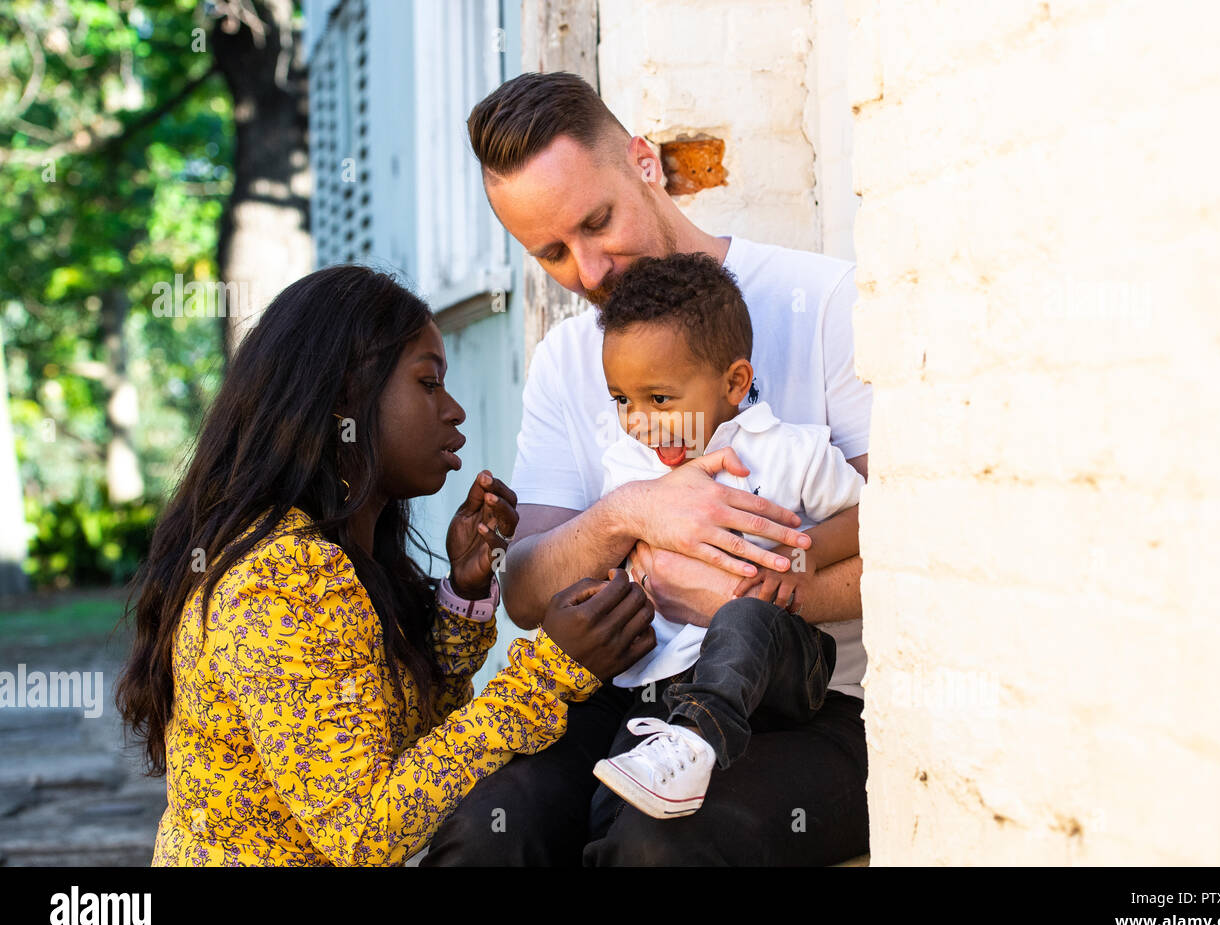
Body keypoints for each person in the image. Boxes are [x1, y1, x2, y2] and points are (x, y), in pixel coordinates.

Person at [422, 71, 872, 866]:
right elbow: (526, 589)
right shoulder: (566, 359)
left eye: (597, 222)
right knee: (489, 824)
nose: (590, 270)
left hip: (816, 704)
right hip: (637, 696)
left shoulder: (823, 301)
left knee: (657, 845)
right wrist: (632, 512)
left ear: (643, 163)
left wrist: (769, 598)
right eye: (552, 253)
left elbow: (906, 540)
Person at [116, 265, 655, 866]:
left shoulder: (339, 555)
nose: (454, 411)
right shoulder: (280, 577)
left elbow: (411, 749)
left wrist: (463, 595)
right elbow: (365, 832)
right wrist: (552, 670)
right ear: (347, 395)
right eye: (428, 384)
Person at [590, 252, 865, 820]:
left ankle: (699, 738)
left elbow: (870, 517)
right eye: (622, 400)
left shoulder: (789, 451)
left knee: (742, 617)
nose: (639, 422)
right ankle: (685, 745)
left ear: (735, 382)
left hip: (786, 670)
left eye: (660, 399)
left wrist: (795, 561)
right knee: (610, 809)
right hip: (666, 684)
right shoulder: (629, 466)